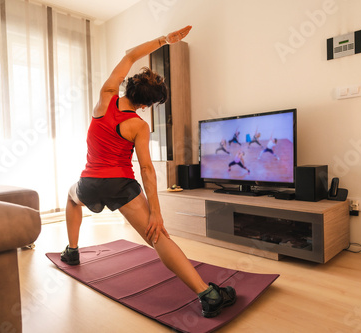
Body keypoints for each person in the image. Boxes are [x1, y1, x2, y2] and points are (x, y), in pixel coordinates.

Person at [60, 26, 236, 318]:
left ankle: (72, 251)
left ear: (128, 87)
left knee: (70, 197)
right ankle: (209, 294)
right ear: (145, 104)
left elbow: (130, 56)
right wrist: (156, 211)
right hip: (120, 185)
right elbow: (146, 170)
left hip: (89, 182)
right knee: (158, 238)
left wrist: (164, 40)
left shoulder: (105, 99)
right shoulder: (139, 126)